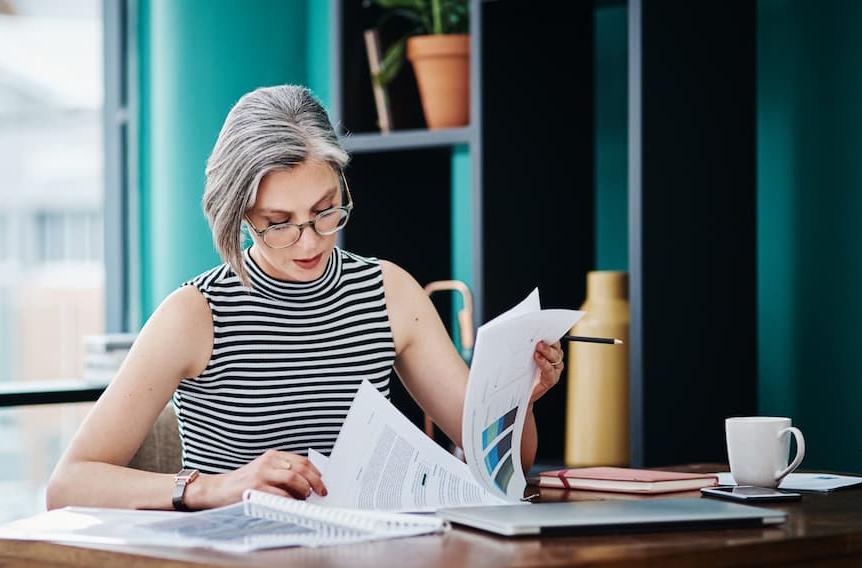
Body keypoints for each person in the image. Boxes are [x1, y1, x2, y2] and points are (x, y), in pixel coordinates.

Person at [45, 85, 565, 511]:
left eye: (325, 210)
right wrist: (212, 487)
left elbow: (507, 463)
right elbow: (68, 485)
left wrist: (515, 397)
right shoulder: (195, 313)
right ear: (240, 217)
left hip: (366, 561)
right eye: (279, 224)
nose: (311, 241)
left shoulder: (388, 291)